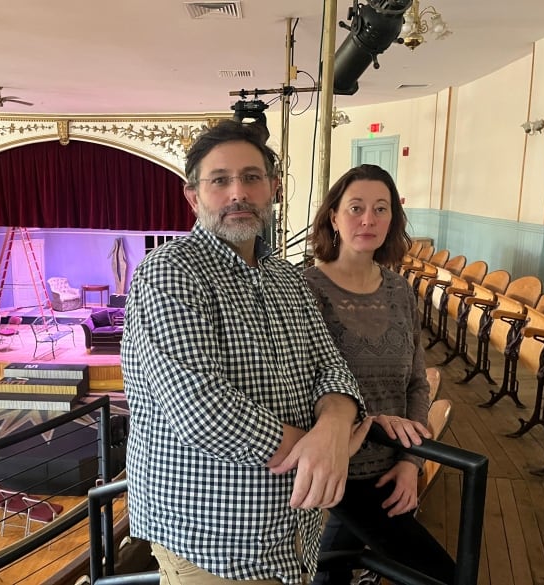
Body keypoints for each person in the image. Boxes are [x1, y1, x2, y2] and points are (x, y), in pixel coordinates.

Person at [122, 119, 375, 585]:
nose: (238, 192)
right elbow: (203, 412)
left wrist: (336, 426)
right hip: (212, 540)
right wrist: (318, 450)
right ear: (194, 198)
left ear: (273, 190)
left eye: (252, 178)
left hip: (293, 531)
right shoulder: (170, 273)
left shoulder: (286, 277)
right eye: (219, 180)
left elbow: (331, 366)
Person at [305, 164, 456, 584]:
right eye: (355, 208)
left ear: (392, 220)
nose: (368, 219)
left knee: (335, 572)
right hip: (335, 472)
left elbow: (416, 382)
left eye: (380, 209)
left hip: (390, 473)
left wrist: (411, 462)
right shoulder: (305, 289)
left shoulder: (399, 291)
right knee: (441, 575)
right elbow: (296, 388)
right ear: (334, 216)